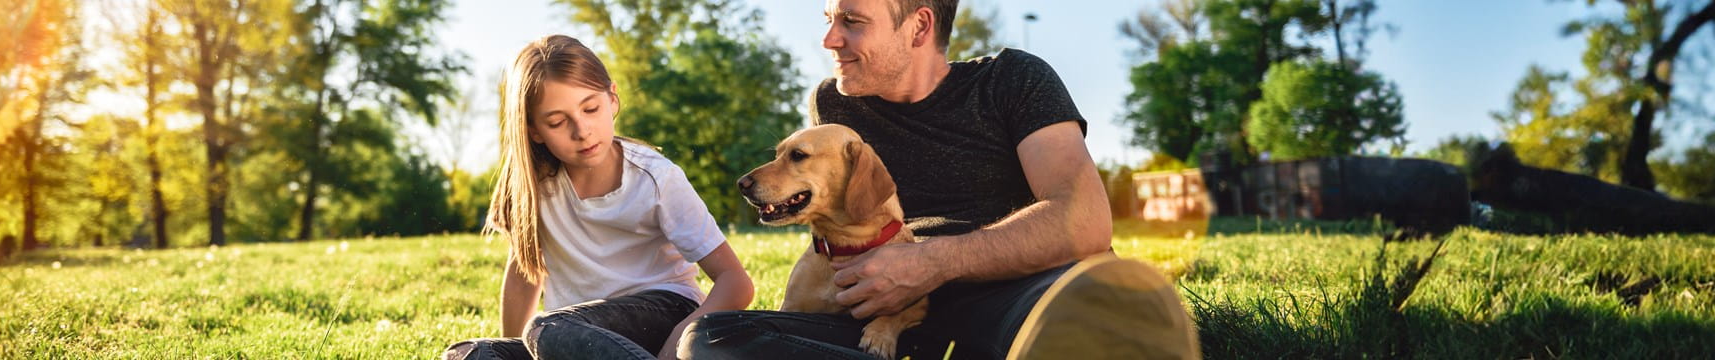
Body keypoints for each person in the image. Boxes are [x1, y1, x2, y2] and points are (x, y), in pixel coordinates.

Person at [681, 0, 1187, 358]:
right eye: (830, 18)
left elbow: (1085, 220)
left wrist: (932, 262)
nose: (830, 39)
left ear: (919, 26)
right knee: (710, 339)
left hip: (1010, 296)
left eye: (852, 21)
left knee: (1091, 316)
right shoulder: (834, 104)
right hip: (879, 316)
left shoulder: (1012, 80)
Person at [441, 35, 757, 360]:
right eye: (557, 122)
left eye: (591, 108)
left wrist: (679, 336)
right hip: (575, 336)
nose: (582, 130)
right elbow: (525, 274)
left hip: (664, 315)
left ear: (613, 99)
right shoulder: (530, 184)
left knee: (547, 328)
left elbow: (737, 283)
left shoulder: (655, 178)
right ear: (534, 130)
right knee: (469, 354)